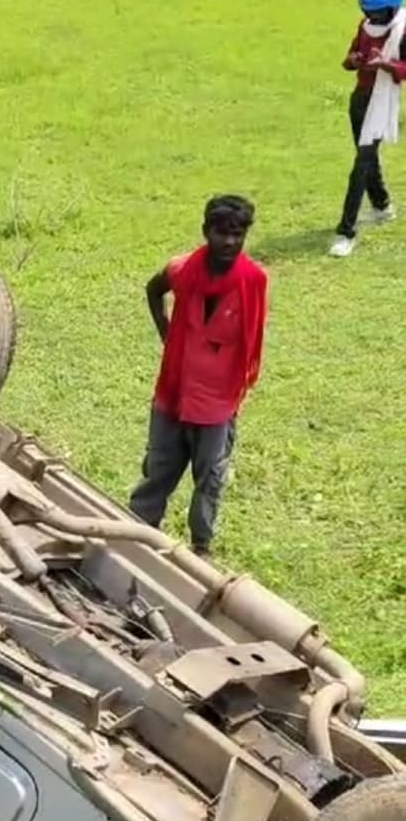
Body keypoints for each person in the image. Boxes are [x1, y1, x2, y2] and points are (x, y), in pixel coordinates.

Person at [128, 195, 267, 558]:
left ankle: (200, 547)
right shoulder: (181, 270)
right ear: (206, 231)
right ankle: (140, 532)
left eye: (238, 234)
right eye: (222, 233)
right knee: (159, 466)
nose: (230, 243)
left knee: (210, 477)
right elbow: (153, 288)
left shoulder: (252, 280)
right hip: (174, 390)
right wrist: (165, 330)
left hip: (219, 399)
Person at [329, 0, 406, 258]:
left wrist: (385, 65)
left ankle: (346, 231)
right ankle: (383, 206)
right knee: (367, 157)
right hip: (359, 101)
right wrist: (354, 61)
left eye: (377, 13)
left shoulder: (403, 29)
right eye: (368, 13)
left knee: (361, 165)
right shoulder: (366, 26)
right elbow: (349, 59)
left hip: (380, 103)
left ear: (393, 8)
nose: (373, 19)